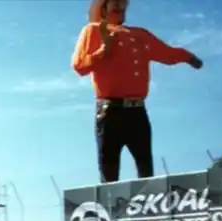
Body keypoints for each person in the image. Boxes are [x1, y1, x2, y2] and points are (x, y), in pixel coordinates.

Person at [72, 0, 203, 183]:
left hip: (137, 111)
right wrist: (103, 50)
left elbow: (166, 53)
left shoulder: (140, 34)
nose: (120, 6)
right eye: (115, 2)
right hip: (110, 111)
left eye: (123, 2)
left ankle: (147, 200)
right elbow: (79, 66)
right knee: (109, 174)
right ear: (104, 7)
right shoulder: (93, 30)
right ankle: (111, 202)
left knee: (146, 171)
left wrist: (187, 57)